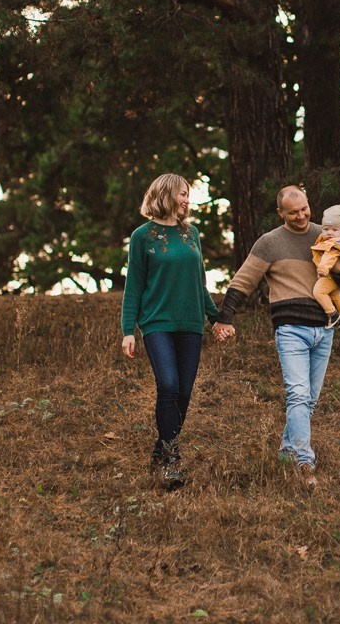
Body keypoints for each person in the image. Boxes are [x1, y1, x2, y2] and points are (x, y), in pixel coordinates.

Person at [212, 186, 340, 487]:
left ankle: (286, 454)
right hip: (291, 329)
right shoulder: (270, 243)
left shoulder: (325, 233)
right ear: (281, 213)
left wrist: (339, 258)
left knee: (309, 401)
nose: (301, 216)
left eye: (304, 209)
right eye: (293, 212)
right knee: (298, 395)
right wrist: (225, 317)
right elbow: (243, 281)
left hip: (324, 328)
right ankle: (305, 464)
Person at [121, 174, 221, 490]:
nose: (186, 200)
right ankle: (171, 459)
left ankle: (160, 448)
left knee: (185, 392)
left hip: (190, 322)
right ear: (165, 194)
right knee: (168, 385)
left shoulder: (191, 234)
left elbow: (199, 282)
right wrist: (128, 329)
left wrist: (216, 318)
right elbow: (134, 284)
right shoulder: (142, 236)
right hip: (157, 322)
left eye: (187, 195)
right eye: (182, 194)